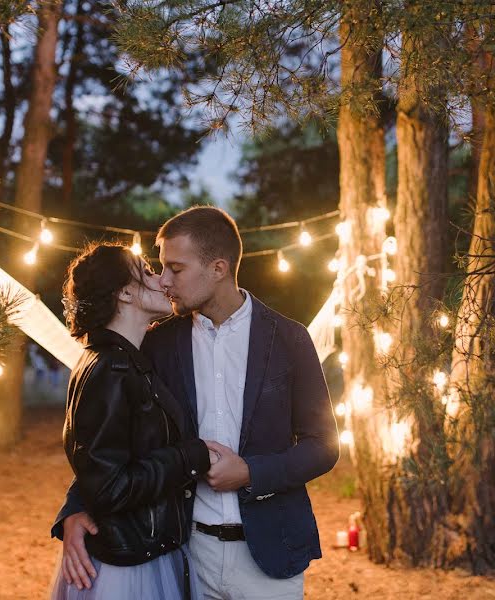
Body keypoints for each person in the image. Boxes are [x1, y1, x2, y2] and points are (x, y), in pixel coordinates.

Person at [52, 207, 340, 599]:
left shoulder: (289, 340)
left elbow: (323, 446)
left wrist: (251, 473)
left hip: (271, 553)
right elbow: (110, 436)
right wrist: (74, 509)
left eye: (176, 269)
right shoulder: (157, 344)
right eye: (160, 268)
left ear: (218, 268)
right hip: (187, 553)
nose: (164, 280)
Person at [50, 243, 215, 600]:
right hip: (128, 564)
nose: (161, 279)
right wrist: (191, 457)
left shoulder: (128, 360)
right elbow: (109, 486)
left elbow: (103, 459)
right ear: (125, 292)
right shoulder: (111, 368)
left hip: (146, 545)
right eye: (146, 270)